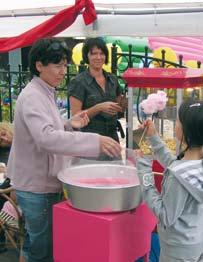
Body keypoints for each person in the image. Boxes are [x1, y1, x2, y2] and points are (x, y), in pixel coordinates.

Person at [6, 38, 121, 262]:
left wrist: (69, 124)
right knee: (41, 248)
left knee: (39, 243)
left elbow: (47, 130)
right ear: (39, 66)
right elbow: (46, 139)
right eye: (58, 65)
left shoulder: (44, 91)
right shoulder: (32, 96)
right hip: (36, 186)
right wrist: (94, 140)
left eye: (65, 65)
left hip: (44, 181)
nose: (62, 71)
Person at [136, 99, 203, 262]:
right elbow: (177, 164)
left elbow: (165, 215)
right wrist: (154, 138)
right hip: (200, 239)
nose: (175, 123)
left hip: (179, 250)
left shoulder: (178, 177)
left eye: (178, 120)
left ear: (186, 131)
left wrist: (144, 172)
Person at [68, 37, 126, 146]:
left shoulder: (112, 79)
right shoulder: (78, 82)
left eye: (102, 53)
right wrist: (98, 108)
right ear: (87, 56)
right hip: (89, 141)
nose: (98, 57)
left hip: (112, 138)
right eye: (94, 54)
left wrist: (126, 101)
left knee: (114, 163)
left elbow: (120, 108)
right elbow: (75, 117)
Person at [0, 121, 13, 253]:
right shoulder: (3, 149)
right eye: (1, 139)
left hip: (11, 189)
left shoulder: (20, 145)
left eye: (4, 134)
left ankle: (2, 237)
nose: (4, 139)